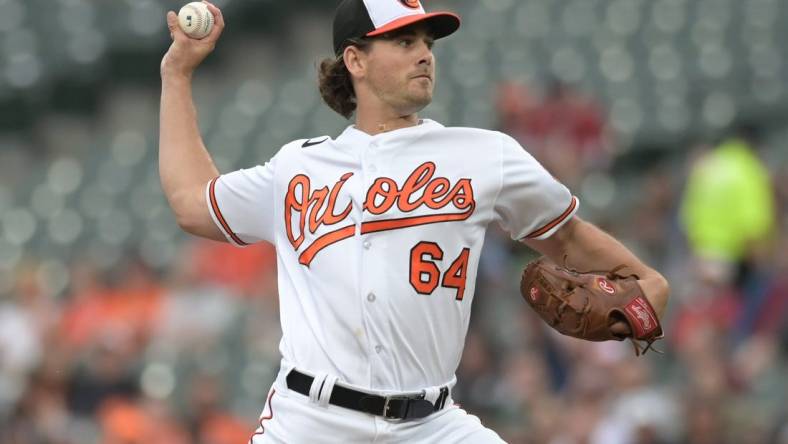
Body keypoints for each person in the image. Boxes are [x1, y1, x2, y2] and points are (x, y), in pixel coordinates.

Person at [159, 0, 670, 442]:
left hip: (431, 424)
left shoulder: (483, 154)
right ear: (355, 59)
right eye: (402, 41)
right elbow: (192, 202)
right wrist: (177, 74)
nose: (424, 53)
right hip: (310, 421)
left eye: (426, 41)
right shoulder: (298, 167)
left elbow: (566, 234)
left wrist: (645, 277)